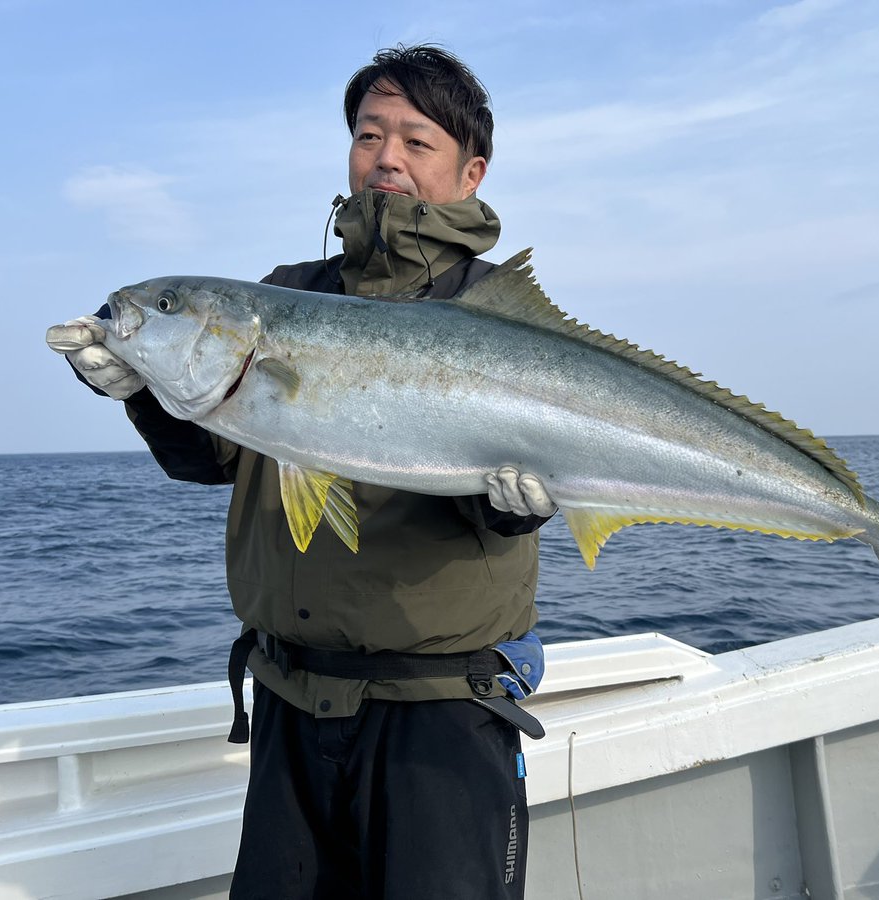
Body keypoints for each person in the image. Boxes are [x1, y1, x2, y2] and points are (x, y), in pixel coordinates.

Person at [47, 45, 554, 899]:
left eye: (415, 141)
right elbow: (208, 460)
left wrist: (516, 506)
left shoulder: (492, 313)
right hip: (291, 697)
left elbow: (496, 499)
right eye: (367, 134)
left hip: (440, 712)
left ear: (471, 173)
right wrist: (142, 390)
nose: (385, 157)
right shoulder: (286, 292)